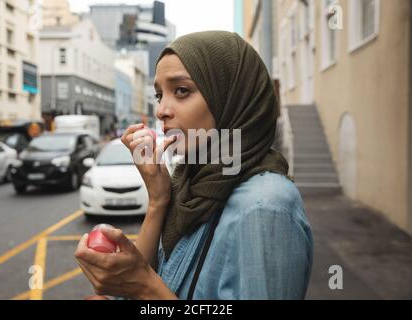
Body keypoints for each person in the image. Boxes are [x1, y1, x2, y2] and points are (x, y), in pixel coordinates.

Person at [75, 31, 313, 300]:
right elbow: (139, 285)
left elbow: (145, 286)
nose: (161, 110)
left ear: (229, 97)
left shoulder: (265, 207)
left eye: (181, 90)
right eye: (159, 95)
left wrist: (144, 287)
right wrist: (158, 200)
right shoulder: (191, 182)